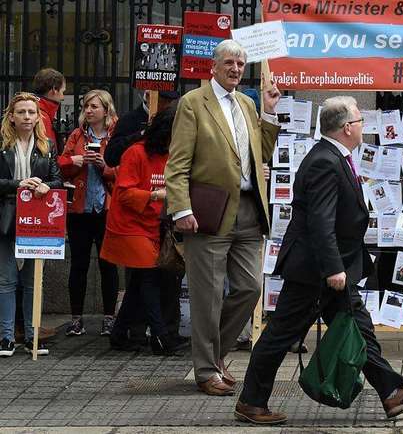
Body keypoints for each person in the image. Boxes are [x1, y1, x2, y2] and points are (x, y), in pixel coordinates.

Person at [237, 96, 403, 425]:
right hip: (316, 271)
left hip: (334, 268)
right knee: (281, 335)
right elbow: (320, 221)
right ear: (347, 128)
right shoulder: (325, 161)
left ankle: (391, 392)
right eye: (360, 122)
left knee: (359, 328)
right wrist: (332, 268)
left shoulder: (336, 156)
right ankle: (251, 402)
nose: (363, 126)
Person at [164, 39, 281, 396]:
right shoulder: (193, 104)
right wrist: (181, 209)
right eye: (229, 63)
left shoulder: (247, 102)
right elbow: (178, 163)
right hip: (209, 213)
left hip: (248, 210)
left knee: (250, 288)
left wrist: (270, 113)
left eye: (240, 65)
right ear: (213, 67)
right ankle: (205, 371)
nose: (235, 69)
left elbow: (261, 151)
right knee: (208, 295)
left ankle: (214, 357)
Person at [101, 104, 184, 356]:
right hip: (129, 225)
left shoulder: (171, 155)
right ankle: (160, 337)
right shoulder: (135, 153)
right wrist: (156, 194)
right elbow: (124, 193)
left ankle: (118, 334)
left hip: (151, 224)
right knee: (148, 278)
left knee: (139, 282)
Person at [0, 92, 63, 357]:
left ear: (38, 117)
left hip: (37, 220)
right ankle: (5, 338)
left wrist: (47, 185)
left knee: (32, 280)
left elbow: (58, 179)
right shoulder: (2, 145)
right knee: (6, 279)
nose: (27, 116)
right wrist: (18, 184)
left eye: (31, 112)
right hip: (5, 217)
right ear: (11, 117)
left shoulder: (46, 145)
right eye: (21, 112)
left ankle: (31, 335)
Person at [58, 90, 120, 337]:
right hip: (80, 209)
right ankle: (76, 319)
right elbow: (60, 165)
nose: (89, 110)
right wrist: (78, 160)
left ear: (106, 109)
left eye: (94, 106)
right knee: (79, 265)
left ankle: (108, 318)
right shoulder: (77, 135)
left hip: (106, 208)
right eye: (86, 106)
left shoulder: (115, 135)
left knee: (108, 265)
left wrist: (104, 165)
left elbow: (123, 170)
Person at [104, 90, 180, 168]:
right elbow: (111, 156)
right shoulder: (129, 120)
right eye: (162, 101)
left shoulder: (173, 120)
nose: (166, 106)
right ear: (148, 97)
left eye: (169, 102)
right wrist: (142, 134)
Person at [32, 68, 66, 149]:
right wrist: (70, 159)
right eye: (62, 92)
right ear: (54, 89)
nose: (63, 97)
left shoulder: (35, 110)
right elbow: (46, 156)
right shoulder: (42, 116)